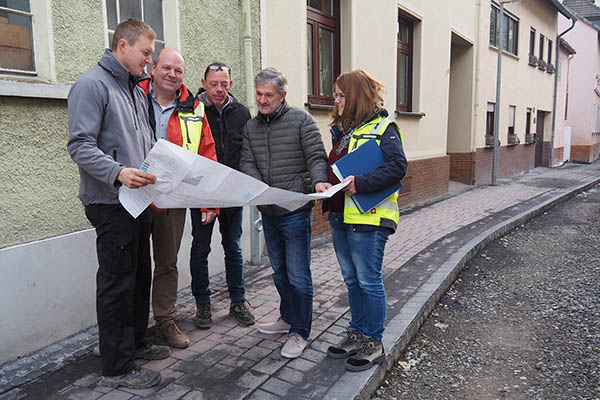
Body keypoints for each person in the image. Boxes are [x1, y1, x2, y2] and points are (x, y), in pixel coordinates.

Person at [67, 19, 170, 389]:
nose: (150, 60)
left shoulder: (134, 90)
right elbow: (79, 146)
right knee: (117, 283)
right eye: (145, 52)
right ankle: (117, 366)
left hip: (136, 200)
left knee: (140, 274)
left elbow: (142, 148)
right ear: (122, 46)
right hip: (110, 202)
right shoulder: (91, 85)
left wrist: (151, 187)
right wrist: (117, 173)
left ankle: (136, 343)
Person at [240, 67, 330, 359]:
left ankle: (300, 331)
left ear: (282, 96)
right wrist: (258, 187)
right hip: (268, 210)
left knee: (298, 275)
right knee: (279, 273)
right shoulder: (251, 128)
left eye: (269, 95)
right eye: (259, 94)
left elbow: (316, 155)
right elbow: (247, 161)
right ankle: (287, 318)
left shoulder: (301, 120)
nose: (262, 100)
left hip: (294, 209)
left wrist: (317, 180)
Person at [323, 69, 407, 372]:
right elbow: (334, 169)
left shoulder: (385, 128)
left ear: (356, 96)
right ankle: (357, 332)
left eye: (341, 95)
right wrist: (324, 182)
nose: (336, 100)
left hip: (369, 219)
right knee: (352, 280)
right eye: (335, 95)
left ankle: (374, 341)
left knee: (369, 281)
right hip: (341, 216)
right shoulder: (344, 131)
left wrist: (361, 183)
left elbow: (398, 167)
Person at [137, 48, 218, 348]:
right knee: (130, 263)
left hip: (172, 198)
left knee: (167, 263)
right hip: (134, 191)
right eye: (166, 68)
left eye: (178, 70)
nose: (172, 74)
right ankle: (124, 330)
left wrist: (209, 200)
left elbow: (206, 154)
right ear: (153, 68)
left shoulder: (194, 107)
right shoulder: (133, 94)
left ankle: (165, 322)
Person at [190, 62, 255, 329]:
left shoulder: (242, 113)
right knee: (200, 250)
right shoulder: (192, 111)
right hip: (202, 194)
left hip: (231, 194)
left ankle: (238, 301)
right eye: (214, 83)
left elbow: (247, 151)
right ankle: (202, 305)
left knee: (234, 249)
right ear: (204, 82)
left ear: (231, 84)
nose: (219, 89)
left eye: (224, 83)